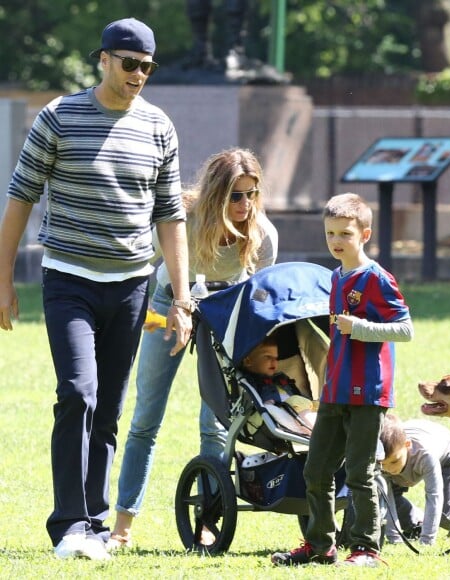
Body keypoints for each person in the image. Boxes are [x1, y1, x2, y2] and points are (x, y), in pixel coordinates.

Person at [0, 18, 192, 561]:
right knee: (77, 394)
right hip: (69, 281)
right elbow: (20, 199)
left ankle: (96, 523)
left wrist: (181, 299)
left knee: (108, 407)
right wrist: (3, 281)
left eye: (147, 68)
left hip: (131, 286)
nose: (138, 75)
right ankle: (68, 526)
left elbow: (171, 217)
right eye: (129, 64)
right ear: (102, 59)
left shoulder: (159, 127)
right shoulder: (58, 117)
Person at [108, 147, 278, 550]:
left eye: (251, 194)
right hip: (168, 309)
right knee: (145, 419)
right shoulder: (182, 218)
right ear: (216, 193)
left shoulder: (262, 234)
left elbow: (264, 298)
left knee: (215, 425)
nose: (244, 204)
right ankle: (122, 526)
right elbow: (138, 264)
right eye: (235, 195)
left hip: (223, 318)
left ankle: (206, 521)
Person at [271, 192, 414, 568]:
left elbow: (405, 329)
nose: (336, 241)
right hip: (334, 391)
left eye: (345, 234)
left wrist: (360, 327)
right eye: (331, 233)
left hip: (367, 393)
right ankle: (320, 546)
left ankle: (366, 548)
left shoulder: (378, 279)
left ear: (364, 235)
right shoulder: (336, 277)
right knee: (315, 470)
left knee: (359, 473)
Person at [377, 414, 450, 545]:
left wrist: (426, 541)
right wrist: (394, 538)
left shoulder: (425, 456)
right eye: (384, 464)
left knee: (444, 515)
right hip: (413, 443)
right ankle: (417, 523)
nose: (389, 469)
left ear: (407, 445)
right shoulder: (380, 460)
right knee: (390, 498)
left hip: (445, 452)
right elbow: (387, 500)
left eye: (394, 461)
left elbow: (434, 495)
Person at [241, 337, 318, 434]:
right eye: (267, 357)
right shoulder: (249, 380)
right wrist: (265, 404)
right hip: (282, 408)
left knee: (321, 404)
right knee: (296, 401)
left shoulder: (279, 377)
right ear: (248, 361)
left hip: (299, 406)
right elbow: (250, 399)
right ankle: (316, 430)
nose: (274, 362)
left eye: (275, 358)